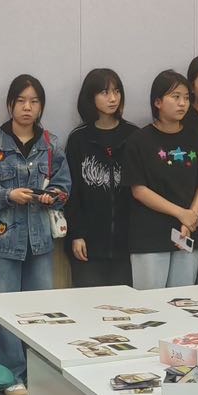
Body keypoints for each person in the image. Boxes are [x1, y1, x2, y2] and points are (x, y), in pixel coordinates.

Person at [0, 75, 70, 395]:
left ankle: (40, 374)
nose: (28, 107)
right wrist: (8, 195)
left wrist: (52, 196)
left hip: (40, 239)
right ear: (10, 104)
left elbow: (64, 187)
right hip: (2, 240)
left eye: (35, 101)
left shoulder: (52, 144)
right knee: (4, 309)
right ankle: (10, 376)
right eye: (22, 101)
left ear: (41, 106)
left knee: (42, 311)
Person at [124, 70, 198, 289]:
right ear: (158, 102)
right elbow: (139, 190)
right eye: (175, 97)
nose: (182, 103)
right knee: (150, 302)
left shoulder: (197, 137)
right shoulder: (139, 140)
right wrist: (181, 213)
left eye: (186, 98)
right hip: (150, 234)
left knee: (183, 300)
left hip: (187, 230)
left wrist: (191, 217)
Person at [63, 68, 137, 289]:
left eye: (117, 91)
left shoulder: (133, 136)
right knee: (89, 304)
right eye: (105, 92)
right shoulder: (78, 139)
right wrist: (76, 234)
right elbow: (72, 191)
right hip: (87, 243)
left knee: (125, 305)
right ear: (90, 96)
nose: (113, 98)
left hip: (127, 243)